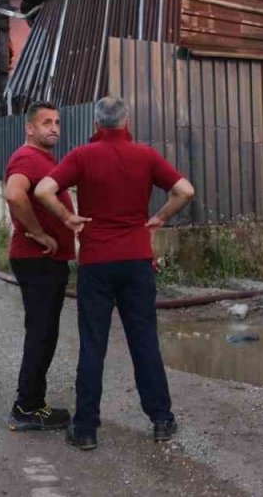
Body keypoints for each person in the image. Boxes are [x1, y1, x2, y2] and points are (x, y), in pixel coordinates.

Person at [34, 96, 195, 451]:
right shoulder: (145, 155)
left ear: (96, 124)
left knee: (93, 344)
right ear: (126, 122)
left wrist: (67, 217)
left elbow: (43, 190)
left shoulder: (81, 156)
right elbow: (185, 190)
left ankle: (85, 429)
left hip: (96, 263)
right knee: (144, 340)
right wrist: (160, 217)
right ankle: (161, 420)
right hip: (137, 261)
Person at [3, 101, 77, 431]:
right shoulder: (26, 157)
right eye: (46, 122)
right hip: (37, 260)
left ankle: (32, 402)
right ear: (29, 128)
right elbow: (14, 195)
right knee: (41, 333)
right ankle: (27, 407)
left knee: (44, 332)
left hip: (47, 261)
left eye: (57, 122)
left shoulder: (43, 160)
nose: (54, 128)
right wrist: (37, 232)